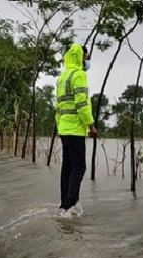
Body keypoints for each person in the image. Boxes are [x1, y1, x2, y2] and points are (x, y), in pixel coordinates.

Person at [55, 44, 97, 217]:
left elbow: (58, 106)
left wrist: (59, 126)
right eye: (86, 57)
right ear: (80, 57)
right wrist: (91, 124)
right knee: (79, 167)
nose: (87, 61)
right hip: (75, 128)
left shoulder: (62, 77)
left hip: (64, 128)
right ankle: (71, 204)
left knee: (67, 167)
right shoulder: (79, 75)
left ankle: (64, 203)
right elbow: (82, 103)